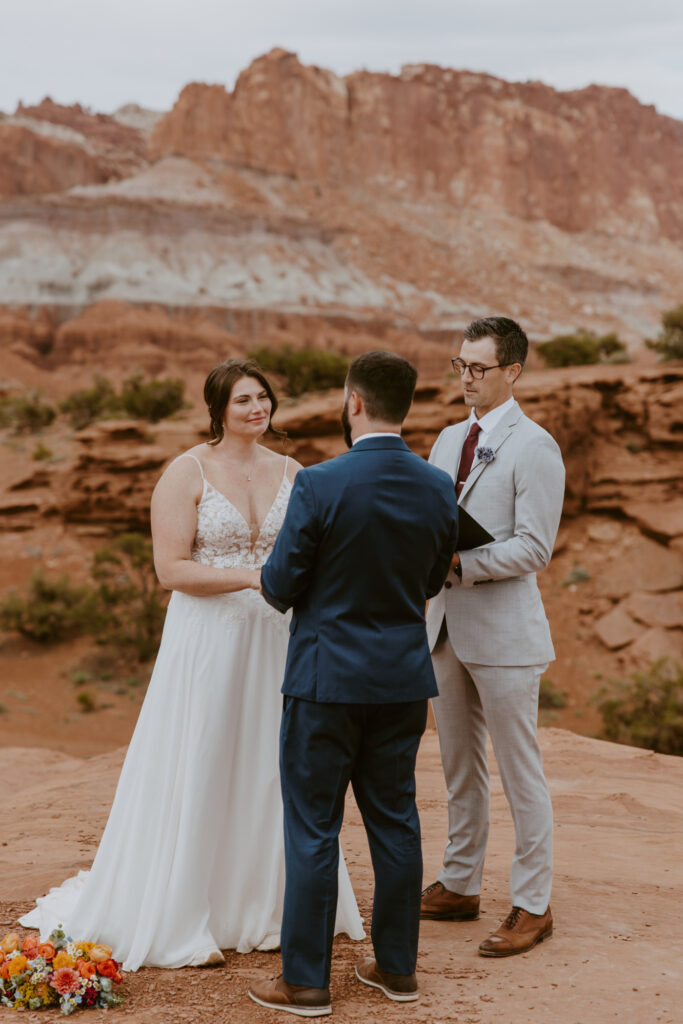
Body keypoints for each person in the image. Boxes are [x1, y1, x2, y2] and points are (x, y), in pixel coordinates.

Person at [20, 358, 364, 970]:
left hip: (278, 641)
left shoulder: (294, 472)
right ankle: (186, 913)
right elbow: (171, 569)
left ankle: (271, 906)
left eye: (263, 398)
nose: (257, 409)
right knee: (202, 757)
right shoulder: (186, 472)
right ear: (218, 411)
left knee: (275, 764)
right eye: (242, 401)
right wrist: (256, 578)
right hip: (208, 641)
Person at [248, 351, 459, 1017]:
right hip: (401, 680)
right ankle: (396, 970)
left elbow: (279, 586)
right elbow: (429, 581)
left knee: (314, 827)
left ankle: (305, 983)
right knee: (396, 822)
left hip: (324, 681)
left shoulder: (319, 483)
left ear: (354, 402)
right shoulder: (436, 485)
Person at [420, 317, 565, 958]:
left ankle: (533, 904)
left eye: (478, 369)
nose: (467, 379)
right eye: (460, 365)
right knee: (459, 766)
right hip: (442, 626)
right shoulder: (448, 438)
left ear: (512, 372)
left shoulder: (536, 446)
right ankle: (460, 882)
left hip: (504, 631)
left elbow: (535, 547)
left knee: (519, 771)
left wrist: (460, 563)